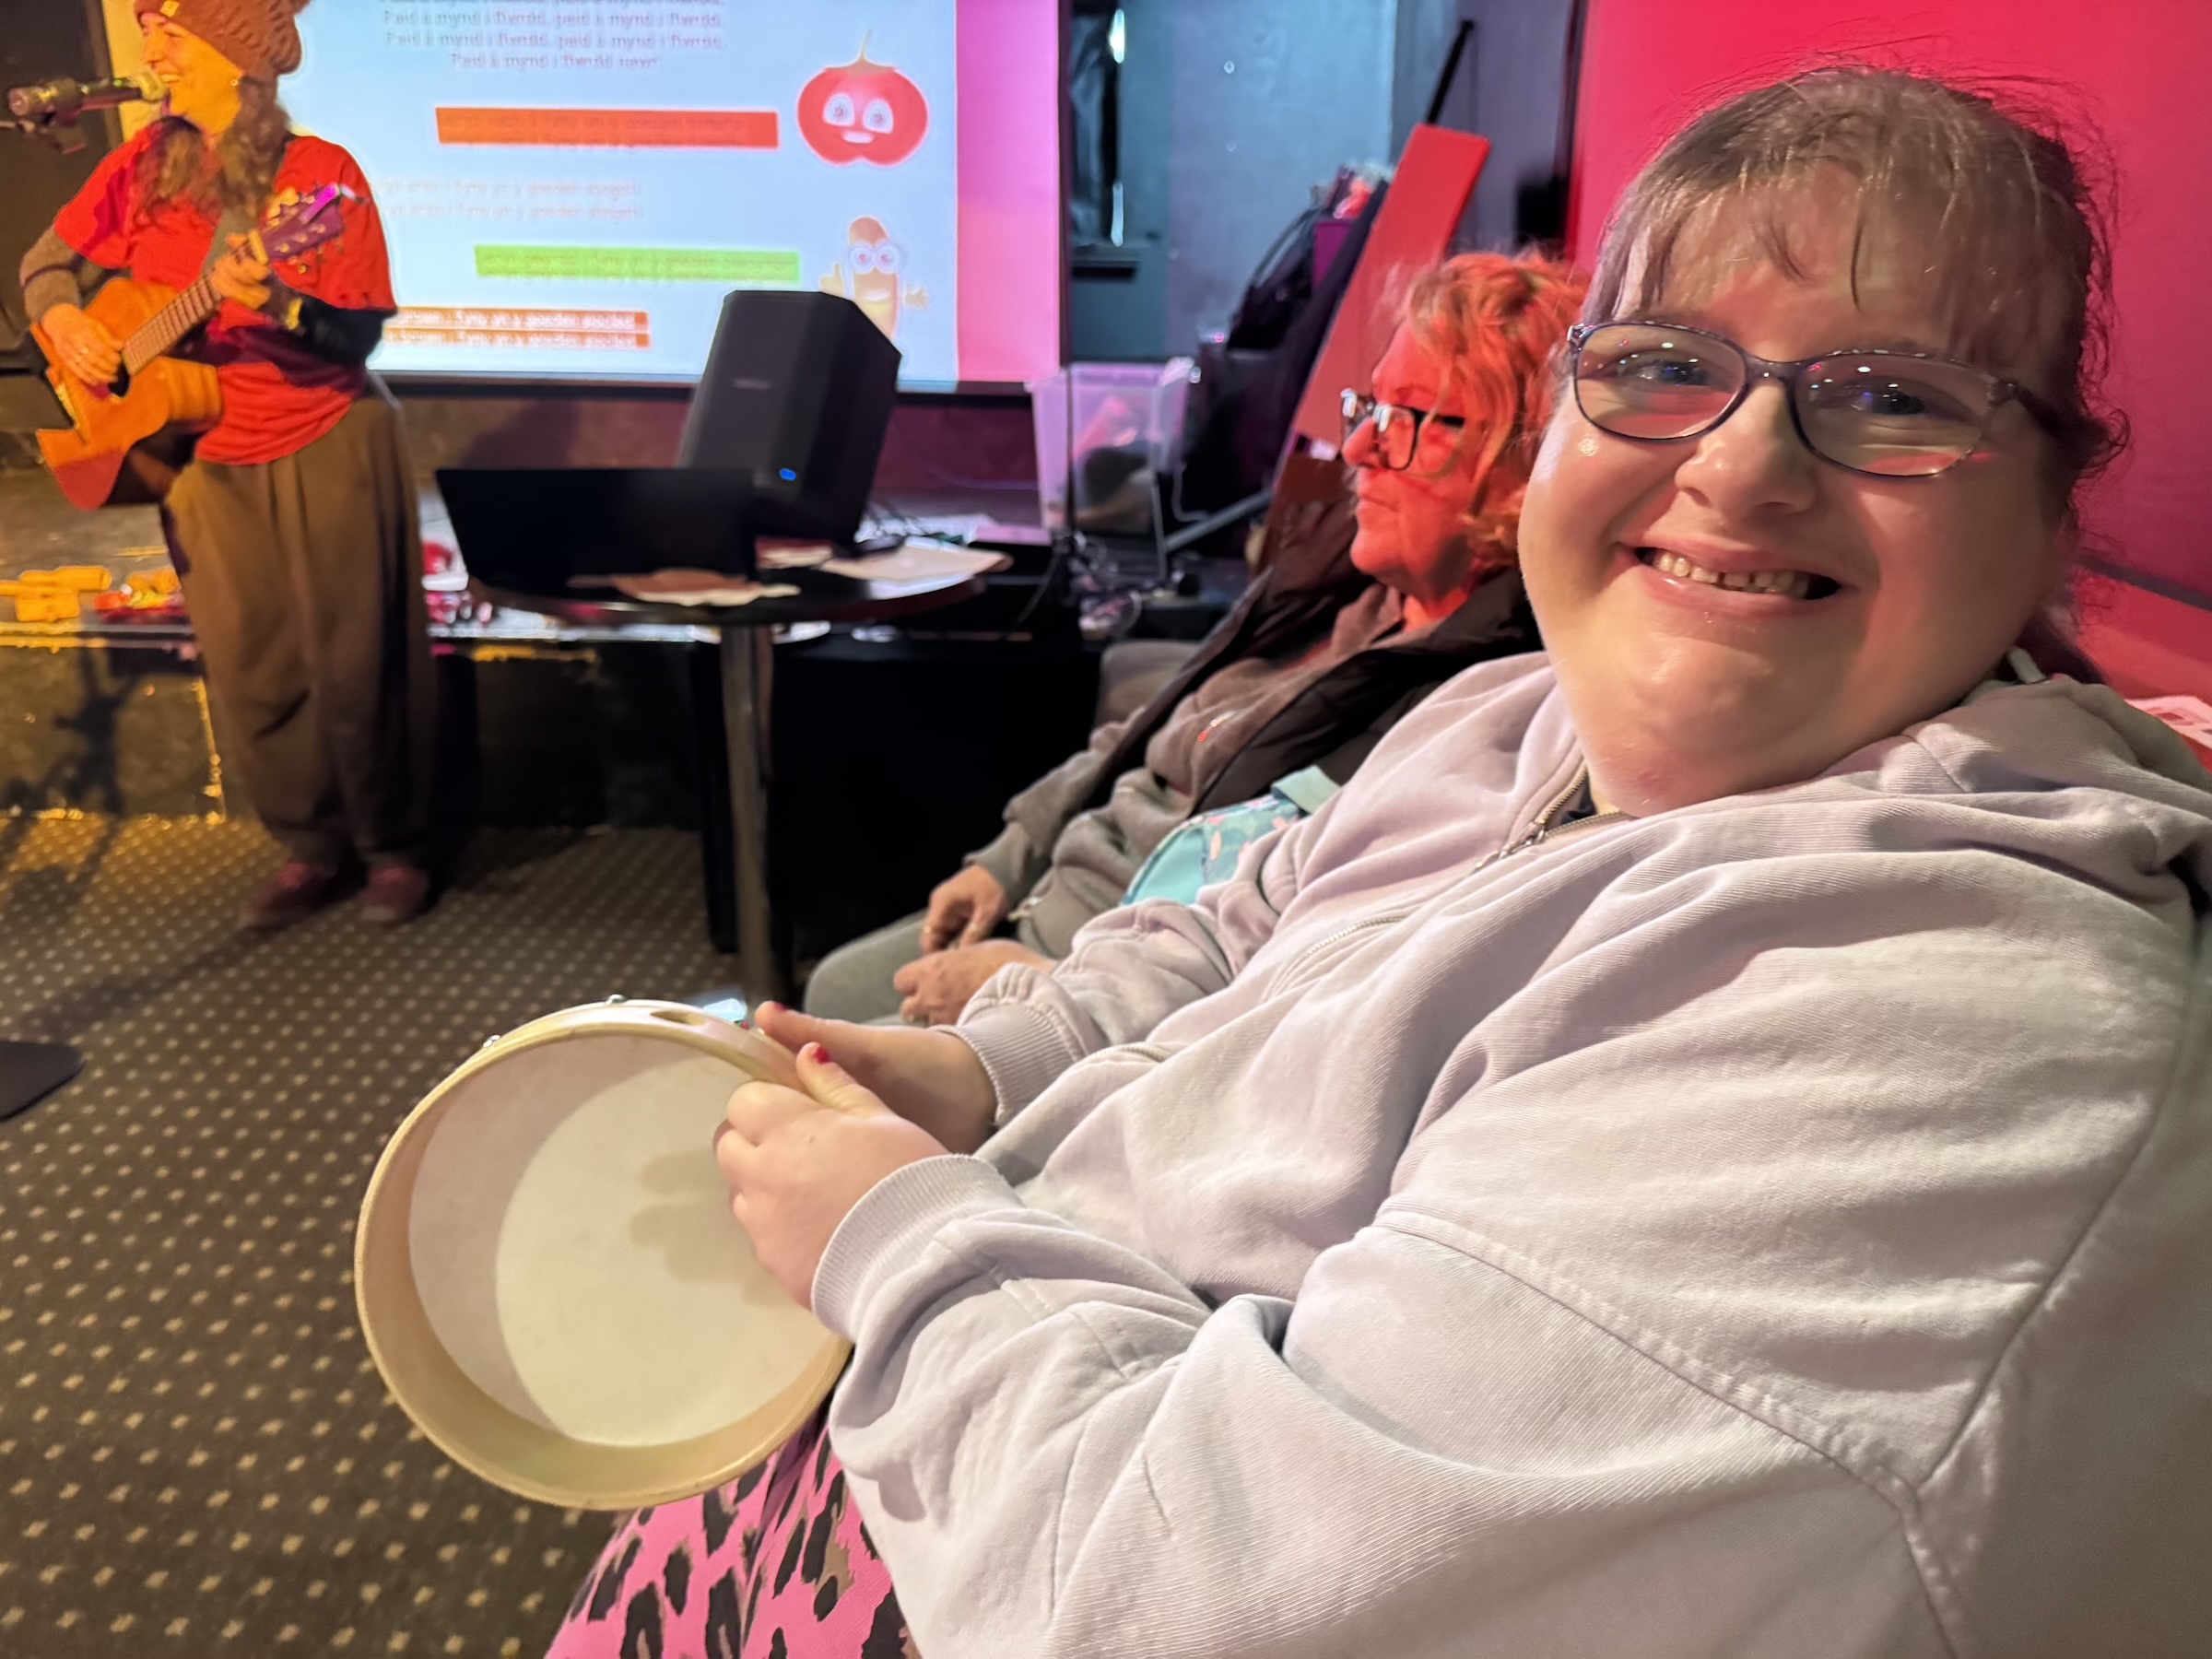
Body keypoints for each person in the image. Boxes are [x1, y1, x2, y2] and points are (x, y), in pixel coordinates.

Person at [556, 67, 2212, 1659]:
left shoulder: (1951, 1028)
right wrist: (988, 1070)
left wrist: (893, 1237)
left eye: (1896, 397)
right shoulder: (1511, 716)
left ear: (2054, 510)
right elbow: (1235, 916)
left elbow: (1165, 1602)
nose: (1743, 464)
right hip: (946, 1426)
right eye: (1660, 366)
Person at [805, 252, 1584, 1026]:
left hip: (1105, 981)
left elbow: (1292, 970)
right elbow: (1154, 732)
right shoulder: (1342, 585)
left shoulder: (1485, 709)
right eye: (1371, 407)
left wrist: (1044, 983)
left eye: (1410, 419)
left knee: (807, 1053)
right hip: (1061, 889)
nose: (1358, 450)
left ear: (1528, 464)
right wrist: (1009, 859)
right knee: (831, 989)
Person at [20, 0, 437, 928]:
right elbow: (43, 265)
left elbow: (356, 336)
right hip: (199, 452)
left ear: (234, 56)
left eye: (170, 32)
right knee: (252, 665)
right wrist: (68, 321)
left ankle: (393, 848)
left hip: (323, 432)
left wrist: (279, 301)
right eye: (149, 31)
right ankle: (311, 844)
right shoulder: (141, 163)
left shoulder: (321, 180)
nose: (153, 51)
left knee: (358, 658)